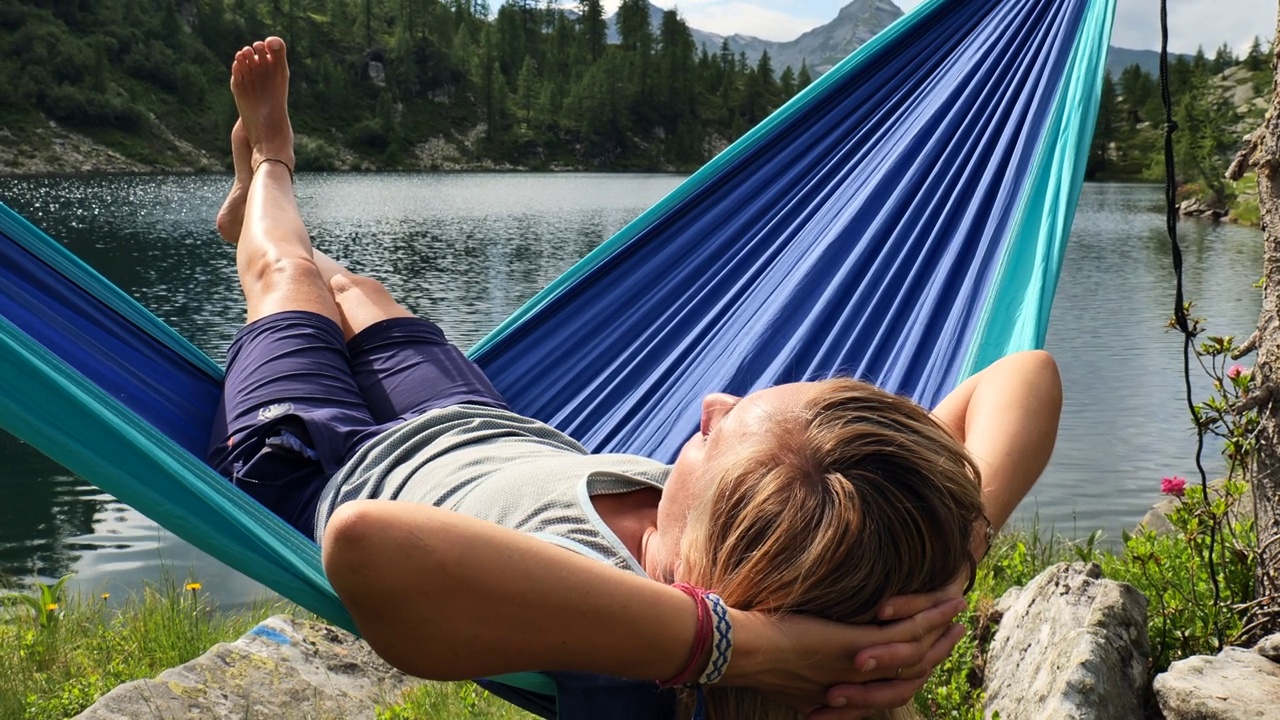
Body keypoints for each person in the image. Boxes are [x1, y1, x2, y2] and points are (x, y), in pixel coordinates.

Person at [211, 37, 1062, 720]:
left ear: (714, 576)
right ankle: (253, 202)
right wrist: (950, 561)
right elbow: (1024, 373)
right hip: (473, 420)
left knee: (287, 275)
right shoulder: (801, 543)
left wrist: (739, 647)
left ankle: (271, 173)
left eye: (715, 434)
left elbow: (365, 542)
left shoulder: (627, 646)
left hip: (326, 457)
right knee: (354, 288)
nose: (711, 400)